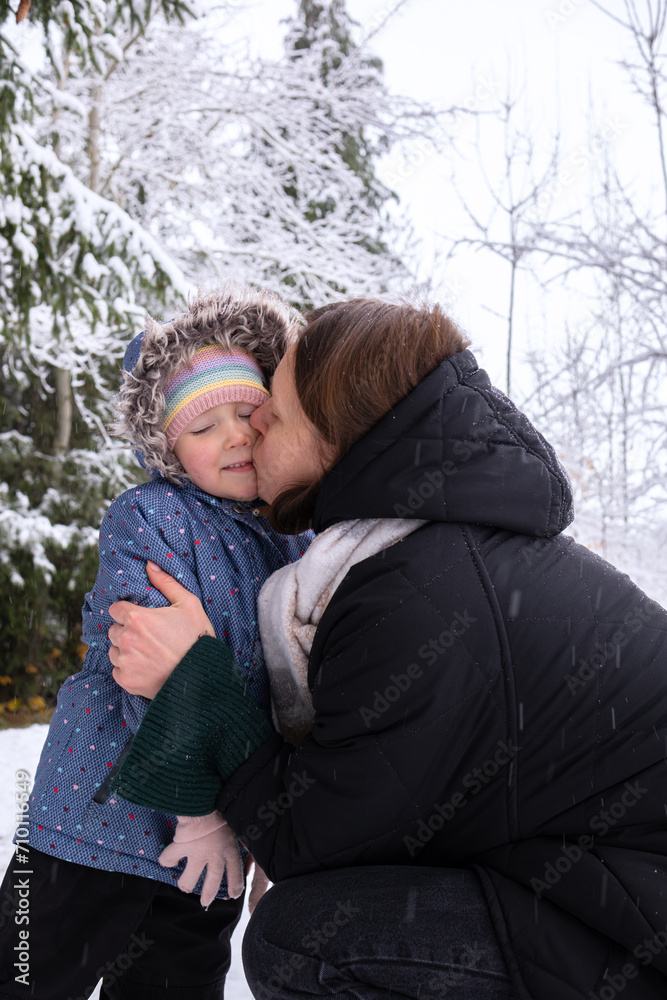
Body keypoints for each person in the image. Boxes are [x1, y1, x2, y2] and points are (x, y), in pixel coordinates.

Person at [106, 298, 667, 1000]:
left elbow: (308, 840)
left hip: (631, 938)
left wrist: (199, 683)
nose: (249, 426)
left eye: (271, 415)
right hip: (610, 896)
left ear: (335, 441)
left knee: (302, 937)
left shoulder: (420, 596)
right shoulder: (441, 545)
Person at [0, 287, 313, 1000]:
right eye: (204, 427)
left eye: (248, 415)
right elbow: (142, 669)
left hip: (213, 857)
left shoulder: (298, 536)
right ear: (166, 447)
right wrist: (194, 813)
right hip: (90, 825)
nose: (235, 437)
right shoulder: (152, 518)